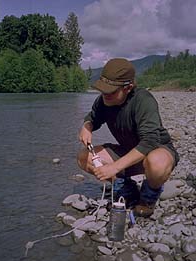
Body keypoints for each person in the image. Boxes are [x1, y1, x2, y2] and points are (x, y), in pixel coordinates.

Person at [77, 58, 179, 217]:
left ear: (128, 87)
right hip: (128, 151)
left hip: (157, 150)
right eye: (102, 90)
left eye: (110, 91)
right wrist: (87, 127)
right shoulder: (104, 100)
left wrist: (114, 167)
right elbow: (92, 117)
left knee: (157, 162)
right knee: (84, 157)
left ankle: (148, 195)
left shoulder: (143, 100)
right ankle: (126, 189)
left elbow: (149, 142)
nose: (105, 95)